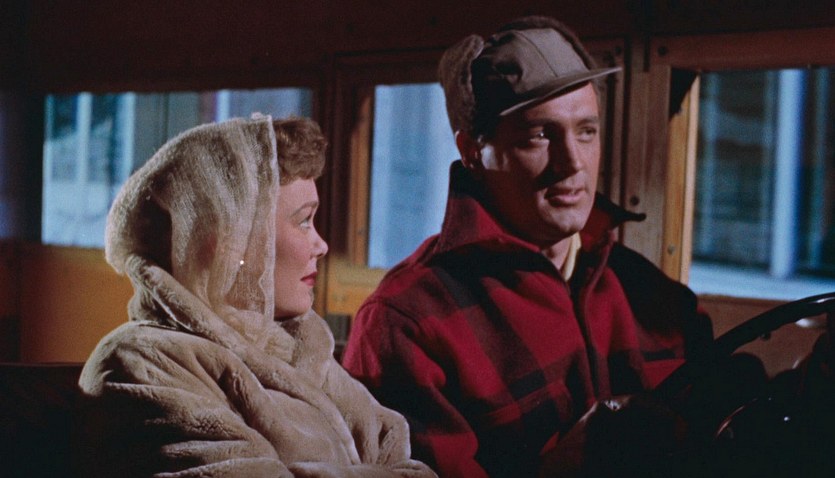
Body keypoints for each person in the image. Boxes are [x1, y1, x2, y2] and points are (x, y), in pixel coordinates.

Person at [342, 16, 715, 477]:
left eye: (586, 131)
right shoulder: (407, 322)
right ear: (472, 151)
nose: (572, 163)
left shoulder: (645, 288)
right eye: (539, 135)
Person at [76, 115, 436, 478]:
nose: (322, 245)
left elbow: (404, 458)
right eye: (304, 221)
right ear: (231, 243)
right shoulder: (143, 362)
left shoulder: (302, 348)